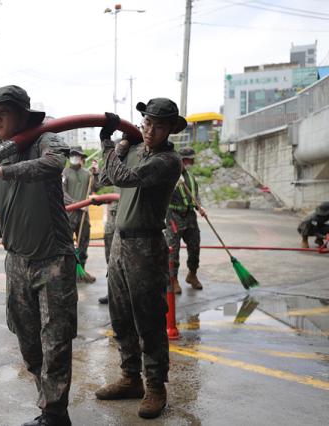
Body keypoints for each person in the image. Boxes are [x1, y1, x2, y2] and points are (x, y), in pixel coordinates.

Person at [0, 85, 76, 426]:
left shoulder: (45, 140)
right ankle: (50, 405)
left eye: (4, 112)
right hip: (17, 262)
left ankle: (54, 414)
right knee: (28, 339)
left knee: (55, 339)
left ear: (23, 115)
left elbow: (52, 166)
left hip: (52, 258)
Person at [94, 98, 183, 419]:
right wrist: (118, 148)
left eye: (159, 126)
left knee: (149, 319)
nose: (150, 131)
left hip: (146, 246)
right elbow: (104, 178)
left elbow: (123, 178)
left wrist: (107, 143)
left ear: (171, 129)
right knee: (120, 316)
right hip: (120, 243)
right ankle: (131, 378)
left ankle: (156, 386)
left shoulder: (168, 161)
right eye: (146, 123)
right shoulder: (134, 150)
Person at [165, 146, 207, 294]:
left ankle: (192, 274)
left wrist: (200, 207)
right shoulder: (168, 176)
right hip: (174, 216)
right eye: (186, 160)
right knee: (173, 250)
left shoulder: (190, 177)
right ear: (179, 160)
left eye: (190, 160)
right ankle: (173, 279)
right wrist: (170, 184)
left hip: (190, 216)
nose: (188, 163)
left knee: (195, 247)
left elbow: (195, 195)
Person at [62, 146, 99, 283]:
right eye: (73, 155)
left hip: (84, 216)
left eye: (78, 155)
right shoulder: (64, 173)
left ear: (81, 157)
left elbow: (96, 188)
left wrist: (96, 173)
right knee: (67, 246)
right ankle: (68, 272)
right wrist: (78, 204)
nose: (75, 157)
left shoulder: (87, 174)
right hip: (69, 214)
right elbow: (62, 193)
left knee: (83, 245)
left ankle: (81, 271)